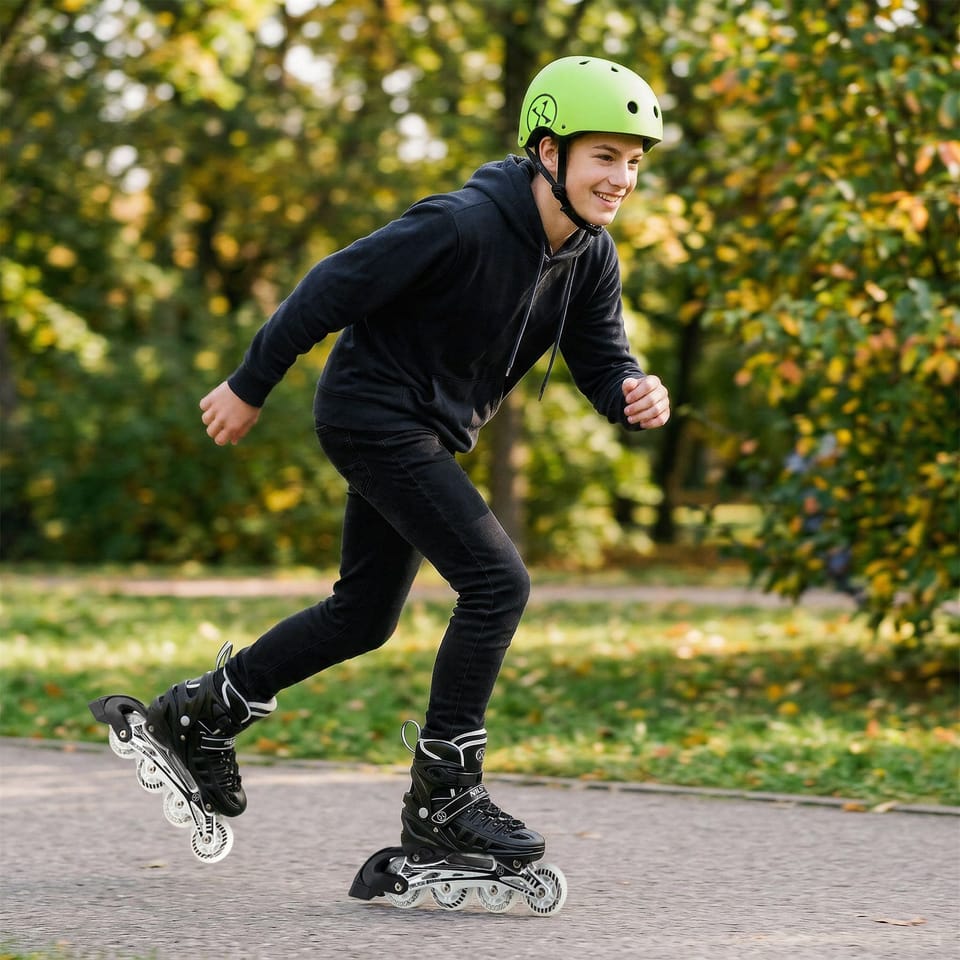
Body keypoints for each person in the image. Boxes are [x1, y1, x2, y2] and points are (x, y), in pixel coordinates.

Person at [144, 55, 671, 865]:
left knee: (364, 616)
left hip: (421, 431)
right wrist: (250, 384)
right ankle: (445, 797)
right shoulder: (461, 223)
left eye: (633, 162)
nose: (621, 179)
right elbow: (330, 286)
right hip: (372, 416)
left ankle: (202, 714)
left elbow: (602, 361)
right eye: (604, 156)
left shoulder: (590, 256)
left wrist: (632, 391)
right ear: (548, 150)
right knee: (497, 583)